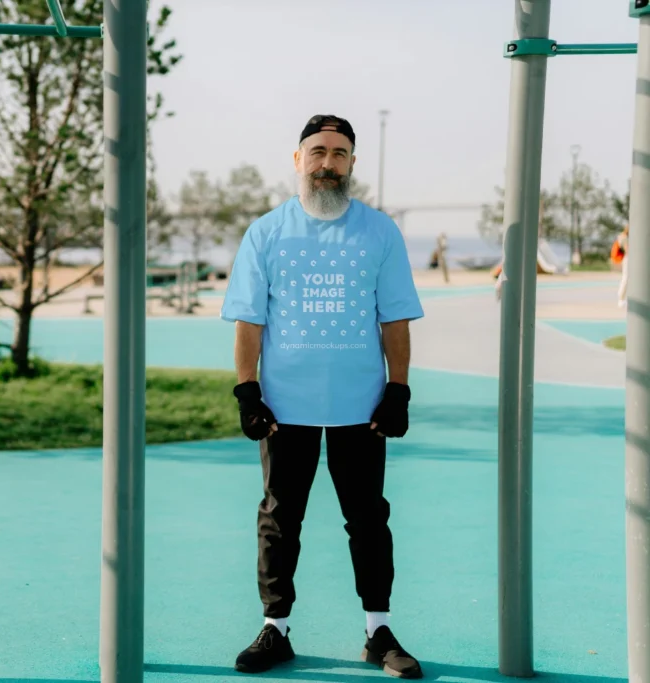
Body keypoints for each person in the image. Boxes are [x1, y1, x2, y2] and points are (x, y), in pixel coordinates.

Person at [220, 114, 425, 678]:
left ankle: (378, 631)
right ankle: (275, 629)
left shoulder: (380, 232)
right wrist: (247, 391)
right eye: (317, 152)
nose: (328, 163)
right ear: (297, 160)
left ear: (352, 162)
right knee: (280, 519)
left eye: (339, 153)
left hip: (361, 409)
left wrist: (398, 390)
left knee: (368, 520)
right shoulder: (266, 232)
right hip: (286, 411)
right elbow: (248, 320)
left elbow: (396, 319)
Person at [617, 224, 629, 309]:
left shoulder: (624, 236)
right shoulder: (624, 237)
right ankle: (621, 298)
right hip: (628, 259)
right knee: (626, 278)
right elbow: (627, 249)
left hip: (629, 258)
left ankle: (623, 298)